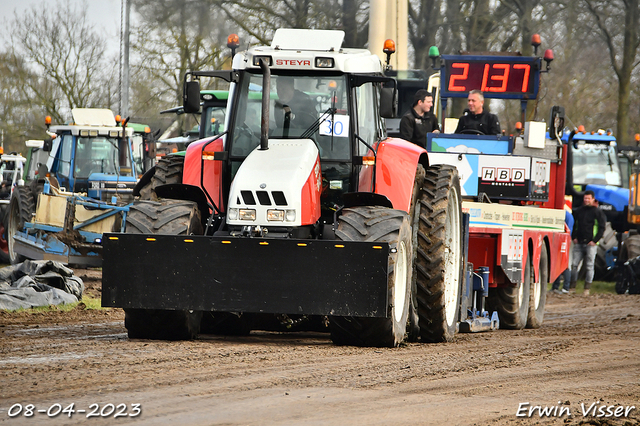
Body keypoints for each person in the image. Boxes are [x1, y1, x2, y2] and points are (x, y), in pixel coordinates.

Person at [570, 190, 606, 295]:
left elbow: (601, 227)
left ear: (593, 199)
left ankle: (587, 289)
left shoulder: (597, 212)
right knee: (574, 265)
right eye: (585, 198)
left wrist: (595, 241)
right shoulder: (579, 211)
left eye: (588, 199)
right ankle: (572, 287)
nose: (586, 200)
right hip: (579, 243)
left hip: (591, 244)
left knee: (589, 266)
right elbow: (574, 225)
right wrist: (574, 237)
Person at [551, 210, 574, 294]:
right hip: (559, 240)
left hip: (565, 241)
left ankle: (566, 288)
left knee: (566, 264)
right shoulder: (562, 214)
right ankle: (555, 286)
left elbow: (569, 230)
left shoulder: (567, 215)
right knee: (557, 263)